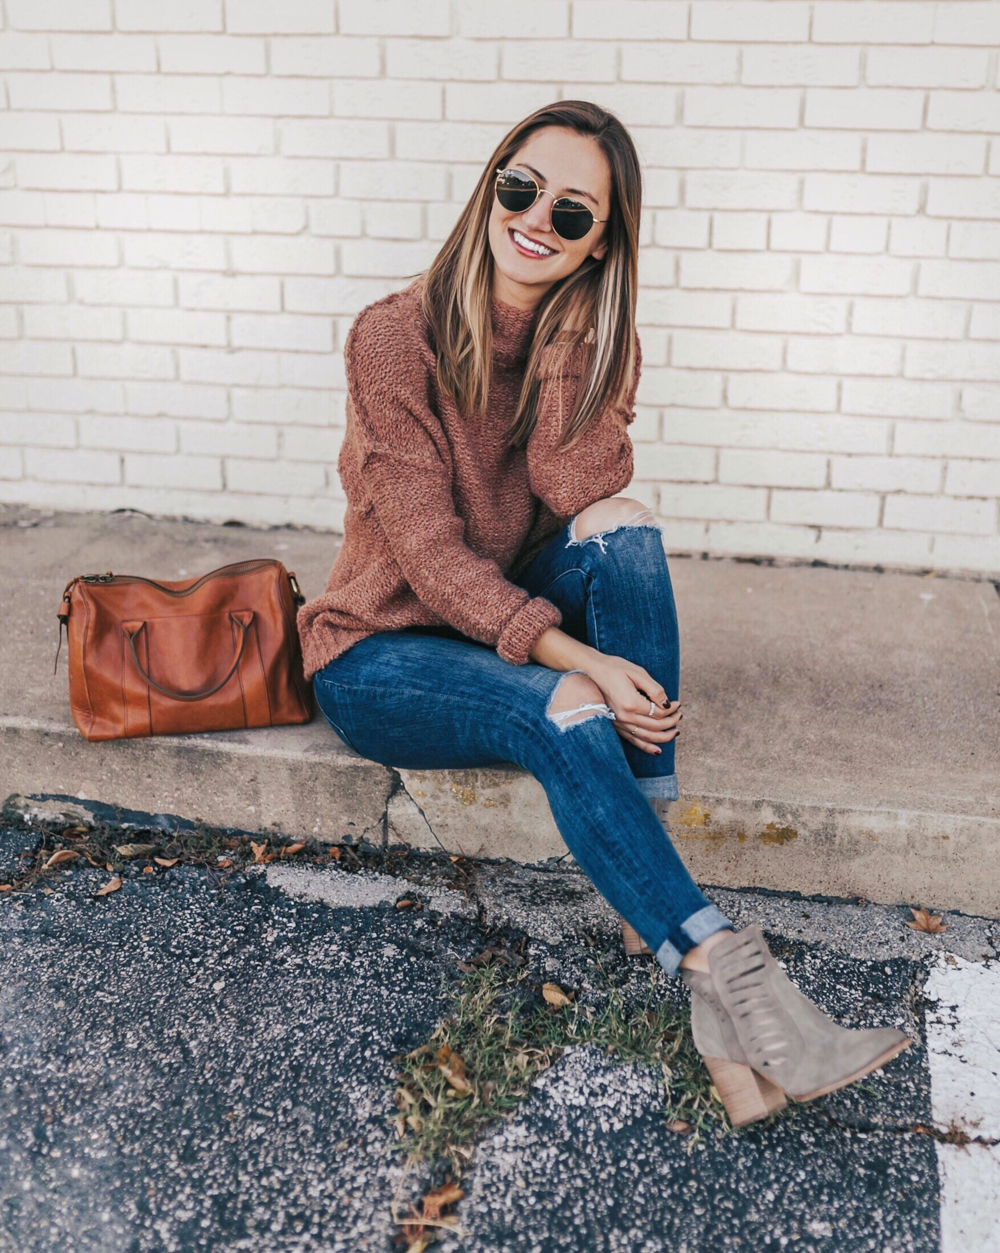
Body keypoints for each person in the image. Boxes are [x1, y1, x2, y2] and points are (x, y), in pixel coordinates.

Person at [296, 101, 911, 1128]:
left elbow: (571, 483)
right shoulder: (392, 337)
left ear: (600, 243)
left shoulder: (589, 336)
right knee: (568, 700)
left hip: (498, 615)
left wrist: (569, 350)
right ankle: (732, 983)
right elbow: (433, 556)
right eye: (520, 188)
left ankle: (651, 885)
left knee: (624, 522)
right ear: (491, 184)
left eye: (573, 214)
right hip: (383, 653)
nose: (534, 219)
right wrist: (576, 652)